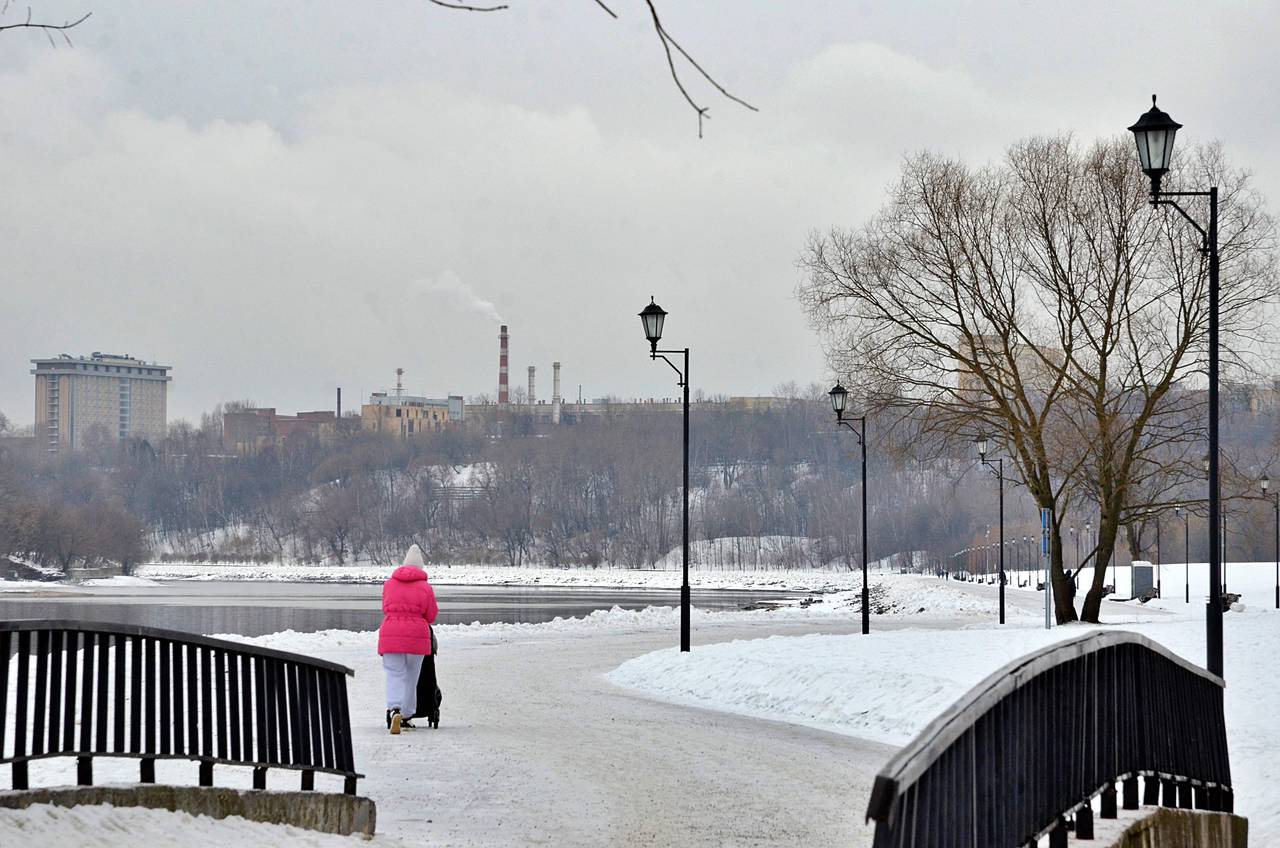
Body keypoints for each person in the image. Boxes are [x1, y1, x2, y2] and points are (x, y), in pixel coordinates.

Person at [378, 543, 438, 734]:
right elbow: (431, 615)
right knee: (412, 677)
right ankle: (406, 715)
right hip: (416, 636)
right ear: (420, 567)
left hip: (390, 633)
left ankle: (394, 709)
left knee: (394, 674)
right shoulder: (425, 587)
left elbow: (385, 608)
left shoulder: (389, 584)